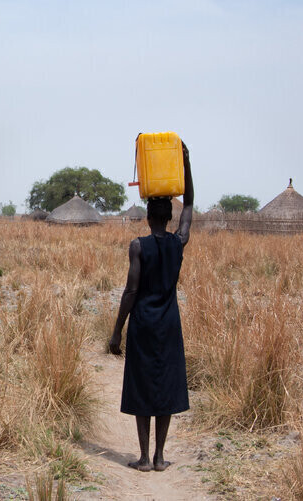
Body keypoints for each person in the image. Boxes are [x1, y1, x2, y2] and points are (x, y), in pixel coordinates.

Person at [109, 142, 193, 472]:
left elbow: (130, 291)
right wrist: (186, 163)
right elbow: (189, 204)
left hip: (143, 323)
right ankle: (160, 457)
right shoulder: (178, 242)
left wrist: (117, 330)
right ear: (169, 217)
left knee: (143, 385)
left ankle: (144, 457)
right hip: (169, 324)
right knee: (167, 386)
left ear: (147, 217)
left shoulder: (138, 246)